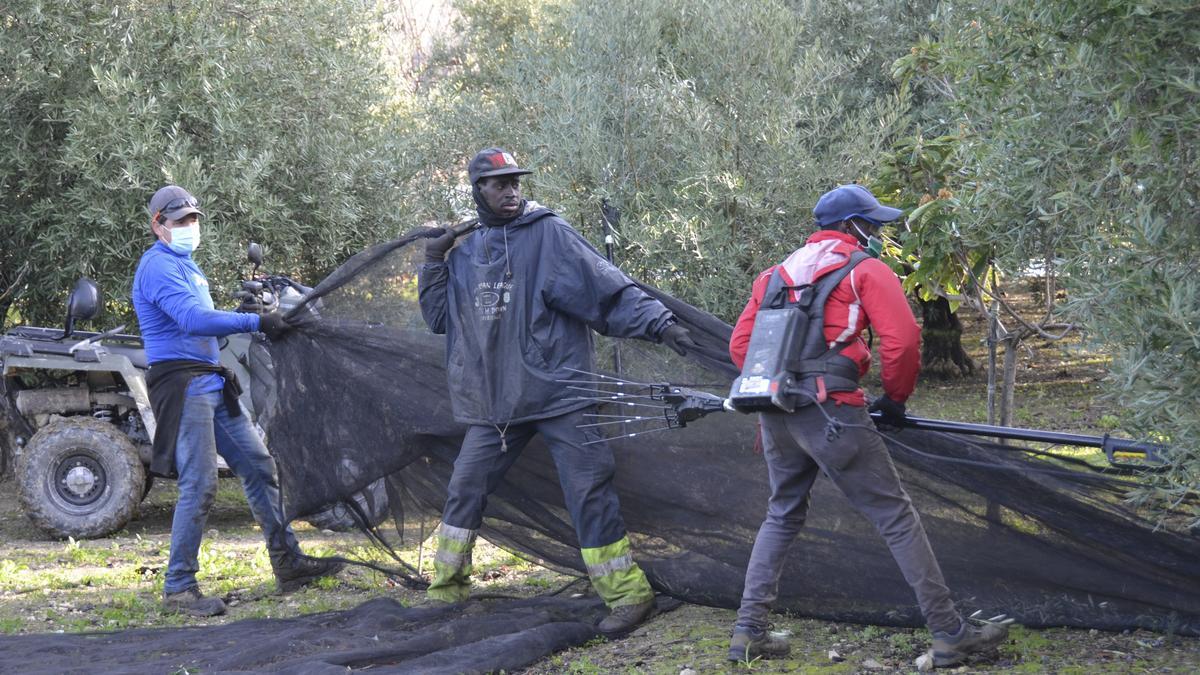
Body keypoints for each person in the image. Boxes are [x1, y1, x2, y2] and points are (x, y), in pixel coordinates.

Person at [725, 184, 1008, 667]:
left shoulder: (774, 276)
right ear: (851, 226)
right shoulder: (866, 270)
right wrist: (894, 399)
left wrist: (786, 379)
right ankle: (949, 632)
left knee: (782, 513)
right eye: (872, 223)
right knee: (896, 516)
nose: (877, 232)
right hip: (833, 414)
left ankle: (748, 631)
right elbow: (902, 342)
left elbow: (740, 348)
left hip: (775, 412)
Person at [417, 148, 697, 636]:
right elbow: (439, 319)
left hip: (562, 394)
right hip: (497, 405)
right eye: (499, 184)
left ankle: (628, 596)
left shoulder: (549, 235)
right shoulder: (465, 253)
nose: (511, 191)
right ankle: (446, 591)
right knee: (465, 489)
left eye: (515, 182)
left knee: (589, 490)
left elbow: (606, 290)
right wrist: (432, 259)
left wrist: (660, 323)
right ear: (478, 189)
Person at [132, 185, 343, 617]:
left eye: (193, 219)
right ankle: (178, 587)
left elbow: (201, 320)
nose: (189, 227)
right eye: (179, 221)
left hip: (210, 381)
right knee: (201, 484)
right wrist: (257, 319)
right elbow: (192, 319)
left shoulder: (186, 265)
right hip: (183, 384)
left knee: (258, 467)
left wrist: (245, 310)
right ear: (158, 224)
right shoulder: (157, 266)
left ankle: (288, 563)